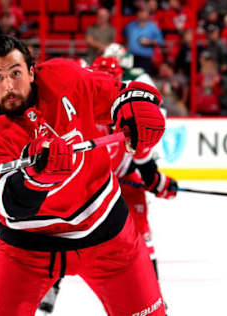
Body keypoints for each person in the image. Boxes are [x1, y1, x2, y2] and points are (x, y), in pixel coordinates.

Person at [0, 34, 166, 316]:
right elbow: (8, 205)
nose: (9, 85)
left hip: (108, 234)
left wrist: (137, 106)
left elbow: (119, 93)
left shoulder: (64, 77)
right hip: (25, 251)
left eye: (16, 73)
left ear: (31, 71)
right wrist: (36, 178)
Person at [38, 56, 179, 315]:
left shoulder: (124, 113)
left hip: (121, 180)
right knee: (60, 229)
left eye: (111, 81)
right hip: (87, 184)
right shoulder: (74, 110)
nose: (106, 86)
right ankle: (51, 287)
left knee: (141, 233)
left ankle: (151, 293)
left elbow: (143, 159)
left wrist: (159, 182)